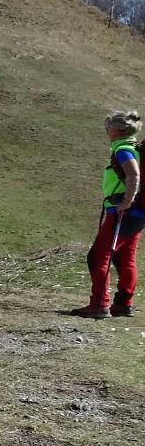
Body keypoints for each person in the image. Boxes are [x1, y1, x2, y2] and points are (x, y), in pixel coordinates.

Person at [75, 110, 145, 318]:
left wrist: (126, 201)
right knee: (125, 257)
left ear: (115, 130)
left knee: (97, 256)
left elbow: (133, 175)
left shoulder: (123, 150)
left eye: (107, 128)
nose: (106, 132)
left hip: (124, 212)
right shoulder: (135, 147)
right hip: (138, 213)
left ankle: (99, 304)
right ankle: (123, 304)